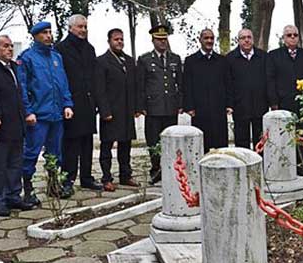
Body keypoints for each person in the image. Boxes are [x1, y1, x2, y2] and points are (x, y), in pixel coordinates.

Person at [19, 21, 75, 198]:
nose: (48, 35)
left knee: (55, 152)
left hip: (56, 114)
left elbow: (63, 83)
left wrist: (67, 104)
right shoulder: (27, 58)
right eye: (44, 33)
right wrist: (28, 111)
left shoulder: (56, 57)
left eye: (50, 32)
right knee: (31, 152)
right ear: (35, 36)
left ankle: (53, 183)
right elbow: (22, 87)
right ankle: (28, 188)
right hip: (38, 115)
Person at [0, 35, 35, 216]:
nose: (9, 49)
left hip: (17, 124)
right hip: (0, 125)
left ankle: (14, 196)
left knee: (15, 163)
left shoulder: (14, 68)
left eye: (10, 46)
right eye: (5, 46)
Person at [56, 14, 102, 194]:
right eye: (80, 27)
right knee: (71, 143)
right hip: (71, 103)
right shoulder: (61, 49)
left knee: (87, 143)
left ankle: (87, 177)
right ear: (70, 28)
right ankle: (68, 179)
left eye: (85, 27)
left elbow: (94, 76)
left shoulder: (89, 49)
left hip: (88, 102)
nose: (83, 30)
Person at [267, 25, 303, 175]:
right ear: (284, 38)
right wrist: (273, 102)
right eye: (289, 35)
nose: (293, 37)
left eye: (295, 35)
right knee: (287, 135)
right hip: (284, 102)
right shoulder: (274, 55)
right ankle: (289, 165)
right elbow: (270, 80)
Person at [94, 28, 141, 190]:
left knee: (125, 145)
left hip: (126, 110)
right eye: (116, 39)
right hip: (110, 112)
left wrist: (136, 108)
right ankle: (106, 178)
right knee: (107, 146)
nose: (119, 42)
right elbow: (99, 89)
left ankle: (125, 175)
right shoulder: (101, 61)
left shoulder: (129, 61)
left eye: (121, 39)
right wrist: (105, 111)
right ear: (109, 41)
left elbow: (134, 86)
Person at [136, 24, 183, 184]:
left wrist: (180, 103)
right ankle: (156, 169)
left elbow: (180, 83)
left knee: (170, 139)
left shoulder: (175, 59)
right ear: (153, 40)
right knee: (154, 141)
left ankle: (170, 167)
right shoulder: (145, 60)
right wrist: (141, 106)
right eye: (159, 39)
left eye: (164, 39)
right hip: (153, 108)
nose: (162, 42)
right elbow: (140, 84)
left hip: (170, 107)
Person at [184, 29, 230, 151]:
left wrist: (229, 104)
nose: (209, 41)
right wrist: (189, 106)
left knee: (221, 145)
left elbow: (228, 84)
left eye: (211, 38)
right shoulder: (191, 61)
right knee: (201, 144)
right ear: (200, 40)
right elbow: (187, 85)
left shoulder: (222, 60)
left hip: (218, 109)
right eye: (206, 38)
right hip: (199, 110)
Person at [226, 28, 268, 149]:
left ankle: (261, 166)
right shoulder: (230, 59)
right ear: (238, 41)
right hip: (240, 106)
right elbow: (228, 83)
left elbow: (268, 80)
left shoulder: (263, 57)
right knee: (241, 141)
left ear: (253, 39)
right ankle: (243, 166)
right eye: (243, 38)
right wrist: (229, 104)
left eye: (249, 37)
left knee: (260, 141)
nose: (246, 40)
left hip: (260, 105)